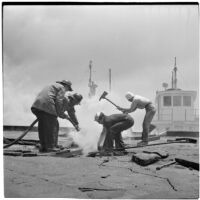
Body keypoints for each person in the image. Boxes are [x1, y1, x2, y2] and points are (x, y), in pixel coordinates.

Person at [31, 80, 73, 152]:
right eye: (68, 89)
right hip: (47, 106)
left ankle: (44, 146)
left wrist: (61, 114)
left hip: (36, 106)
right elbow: (59, 101)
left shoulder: (52, 85)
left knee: (43, 127)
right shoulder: (62, 87)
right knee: (53, 125)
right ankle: (50, 147)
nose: (66, 91)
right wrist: (62, 114)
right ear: (66, 86)